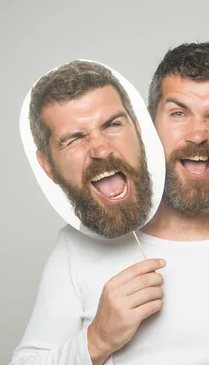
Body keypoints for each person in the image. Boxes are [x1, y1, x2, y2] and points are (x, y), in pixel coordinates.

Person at [5, 44, 209, 365]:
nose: (197, 134)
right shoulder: (77, 247)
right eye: (179, 113)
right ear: (148, 126)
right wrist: (97, 340)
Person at [28, 60, 153, 239]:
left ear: (138, 130)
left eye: (112, 125)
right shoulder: (65, 264)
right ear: (47, 166)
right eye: (75, 139)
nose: (101, 151)